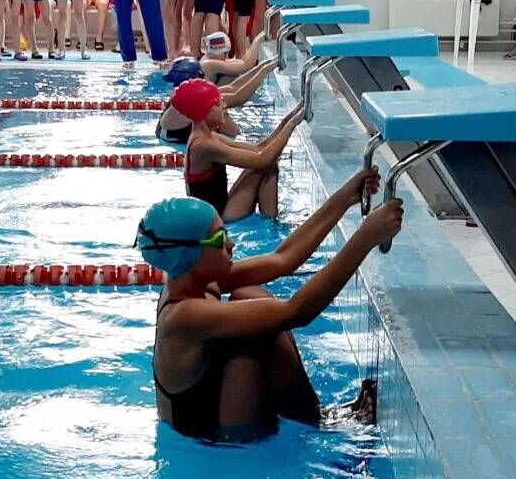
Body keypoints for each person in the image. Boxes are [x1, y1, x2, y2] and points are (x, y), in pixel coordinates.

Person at [137, 180, 401, 442]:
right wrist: (366, 238)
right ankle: (318, 421)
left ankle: (314, 416)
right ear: (189, 254)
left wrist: (344, 197)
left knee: (248, 295)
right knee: (260, 329)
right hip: (211, 436)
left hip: (215, 407)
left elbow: (282, 260)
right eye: (220, 238)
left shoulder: (192, 279)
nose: (231, 244)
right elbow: (297, 312)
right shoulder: (184, 315)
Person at [173, 78, 304, 221]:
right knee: (267, 164)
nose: (224, 106)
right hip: (218, 218)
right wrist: (292, 125)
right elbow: (264, 159)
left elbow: (258, 149)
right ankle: (273, 224)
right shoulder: (203, 145)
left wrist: (290, 118)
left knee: (266, 164)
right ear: (204, 111)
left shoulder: (209, 137)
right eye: (218, 103)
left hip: (221, 208)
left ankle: (272, 219)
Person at [157, 55, 280, 146]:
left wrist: (264, 67)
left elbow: (234, 87)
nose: (207, 78)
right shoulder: (194, 99)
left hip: (177, 139)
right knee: (226, 121)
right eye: (204, 75)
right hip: (177, 143)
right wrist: (264, 69)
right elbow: (239, 96)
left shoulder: (187, 95)